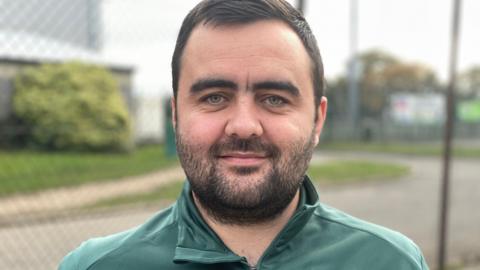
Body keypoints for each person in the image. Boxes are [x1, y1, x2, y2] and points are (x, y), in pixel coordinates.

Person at [59, 0, 429, 269]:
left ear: (317, 120)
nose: (244, 125)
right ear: (176, 115)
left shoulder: (389, 261)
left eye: (274, 98)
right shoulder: (96, 266)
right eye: (215, 97)